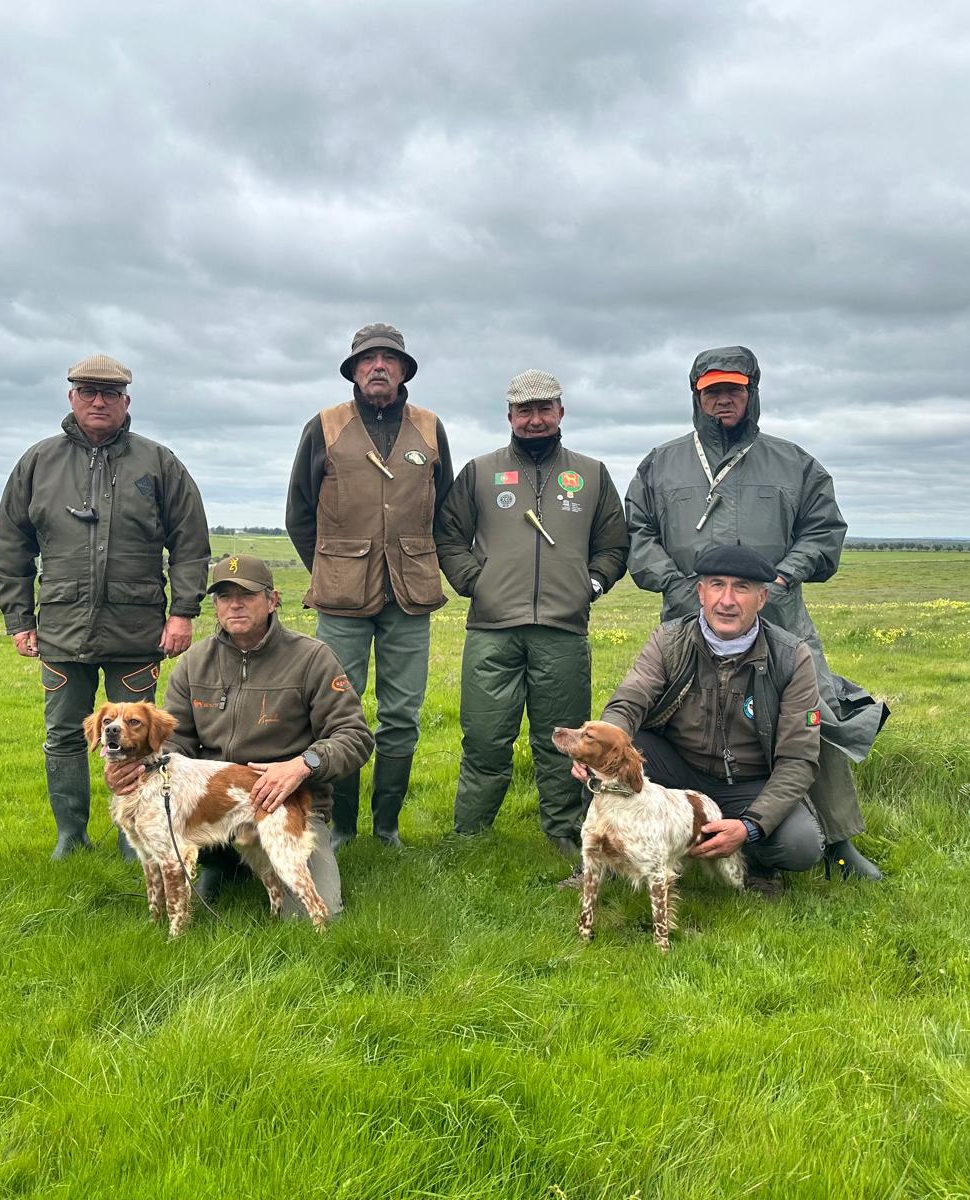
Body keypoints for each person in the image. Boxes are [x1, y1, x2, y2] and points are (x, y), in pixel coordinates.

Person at [624, 346, 887, 880]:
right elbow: (636, 533)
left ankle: (837, 840)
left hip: (781, 616)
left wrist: (785, 576)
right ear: (696, 396)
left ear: (753, 392)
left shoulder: (794, 463)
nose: (724, 399)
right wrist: (677, 586)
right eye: (712, 390)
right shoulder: (661, 463)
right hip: (689, 619)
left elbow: (825, 530)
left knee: (819, 720)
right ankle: (670, 825)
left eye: (735, 389)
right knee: (672, 714)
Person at [0, 354, 211, 860]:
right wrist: (20, 620)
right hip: (62, 632)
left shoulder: (158, 462)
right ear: (71, 397)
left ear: (126, 402)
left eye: (109, 394)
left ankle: (133, 837)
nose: (98, 401)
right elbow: (10, 547)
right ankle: (70, 836)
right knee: (64, 733)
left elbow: (190, 542)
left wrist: (182, 612)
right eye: (88, 391)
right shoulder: (38, 463)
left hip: (137, 631)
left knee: (144, 738)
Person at [105, 554, 374, 916]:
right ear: (215, 606)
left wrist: (302, 765)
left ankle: (256, 869)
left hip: (286, 804)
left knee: (313, 913)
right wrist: (132, 769)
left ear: (272, 599)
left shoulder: (313, 658)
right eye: (223, 596)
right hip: (209, 811)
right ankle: (226, 869)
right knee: (192, 887)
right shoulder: (193, 663)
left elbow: (354, 735)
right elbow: (173, 743)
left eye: (246, 594)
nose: (235, 604)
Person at [435, 369, 628, 868]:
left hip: (563, 633)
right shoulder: (480, 472)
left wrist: (591, 585)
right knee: (483, 737)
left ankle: (565, 831)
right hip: (492, 630)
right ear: (510, 416)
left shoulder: (590, 473)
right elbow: (449, 534)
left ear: (561, 413)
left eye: (545, 409)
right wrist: (475, 583)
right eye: (525, 410)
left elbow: (614, 544)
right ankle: (471, 832)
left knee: (562, 741)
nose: (536, 418)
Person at [286, 323, 453, 850]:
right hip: (341, 598)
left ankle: (387, 828)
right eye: (367, 359)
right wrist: (330, 566)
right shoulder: (325, 425)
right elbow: (299, 512)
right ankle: (340, 828)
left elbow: (445, 511)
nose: (378, 366)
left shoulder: (429, 427)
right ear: (353, 370)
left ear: (404, 370)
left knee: (402, 715)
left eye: (389, 359)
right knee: (339, 712)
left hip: (411, 594)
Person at [593, 545, 827, 893]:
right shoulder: (669, 640)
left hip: (749, 785)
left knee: (801, 844)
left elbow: (798, 759)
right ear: (701, 592)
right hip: (677, 774)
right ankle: (615, 859)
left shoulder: (792, 657)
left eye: (742, 588)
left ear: (762, 598)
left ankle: (758, 866)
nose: (727, 600)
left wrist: (748, 827)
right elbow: (630, 701)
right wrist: (605, 741)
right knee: (602, 758)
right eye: (717, 585)